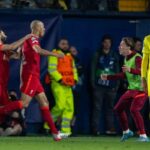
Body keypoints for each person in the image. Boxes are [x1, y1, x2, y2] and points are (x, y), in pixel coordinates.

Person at [0, 20, 64, 141]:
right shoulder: (32, 38)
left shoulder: (28, 41)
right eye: (43, 27)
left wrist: (16, 54)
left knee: (45, 103)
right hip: (30, 75)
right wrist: (56, 55)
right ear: (38, 28)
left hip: (33, 76)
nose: (44, 29)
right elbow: (38, 50)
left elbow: (17, 54)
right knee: (24, 103)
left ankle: (55, 134)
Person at [101, 37, 149, 142]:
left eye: (122, 45)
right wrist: (108, 77)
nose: (119, 47)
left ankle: (144, 136)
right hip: (132, 90)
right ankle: (127, 132)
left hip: (141, 90)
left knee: (134, 110)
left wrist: (130, 69)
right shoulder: (126, 58)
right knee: (118, 109)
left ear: (128, 47)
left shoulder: (137, 57)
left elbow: (142, 71)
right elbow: (124, 74)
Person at [48, 38, 78, 138]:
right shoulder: (55, 53)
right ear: (58, 44)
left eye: (66, 44)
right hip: (58, 84)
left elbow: (74, 69)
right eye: (63, 43)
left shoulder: (69, 56)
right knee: (60, 106)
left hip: (68, 85)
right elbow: (51, 69)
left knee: (69, 108)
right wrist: (60, 80)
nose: (65, 45)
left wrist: (75, 79)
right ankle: (48, 126)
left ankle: (66, 131)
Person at [0, 30, 31, 124]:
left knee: (7, 110)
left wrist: (22, 47)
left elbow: (18, 56)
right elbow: (12, 46)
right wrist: (25, 37)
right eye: (1, 32)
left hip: (3, 85)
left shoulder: (5, 51)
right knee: (9, 110)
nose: (4, 33)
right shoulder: (2, 47)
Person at [91, 35, 119, 135]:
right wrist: (93, 83)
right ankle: (95, 129)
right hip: (99, 86)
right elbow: (93, 68)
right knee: (97, 108)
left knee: (110, 108)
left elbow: (117, 70)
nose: (107, 44)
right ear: (102, 43)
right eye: (105, 42)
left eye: (109, 42)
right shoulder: (97, 54)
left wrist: (117, 84)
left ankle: (110, 129)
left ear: (111, 44)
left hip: (111, 86)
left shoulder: (114, 55)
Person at [70, 46, 84, 134]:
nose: (72, 53)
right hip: (66, 88)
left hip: (77, 89)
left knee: (75, 110)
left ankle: (72, 128)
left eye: (74, 51)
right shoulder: (65, 61)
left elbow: (81, 74)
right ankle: (61, 128)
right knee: (65, 109)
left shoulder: (79, 62)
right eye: (71, 51)